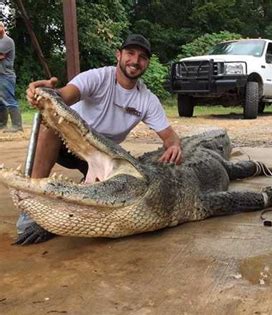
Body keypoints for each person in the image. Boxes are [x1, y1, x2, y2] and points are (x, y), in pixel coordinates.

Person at [15, 33, 182, 245]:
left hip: (101, 156)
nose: (135, 61)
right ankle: (34, 201)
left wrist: (174, 145)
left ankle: (78, 190)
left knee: (102, 198)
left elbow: (170, 137)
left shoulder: (147, 99)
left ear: (147, 63)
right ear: (119, 55)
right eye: (130, 53)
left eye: (142, 57)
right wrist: (45, 93)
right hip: (70, 144)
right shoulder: (97, 77)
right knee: (49, 128)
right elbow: (63, 96)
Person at [0, 21, 23, 133]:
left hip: (6, 75)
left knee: (9, 100)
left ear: (2, 28)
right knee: (1, 101)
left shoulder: (7, 41)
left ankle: (17, 126)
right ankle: (2, 125)